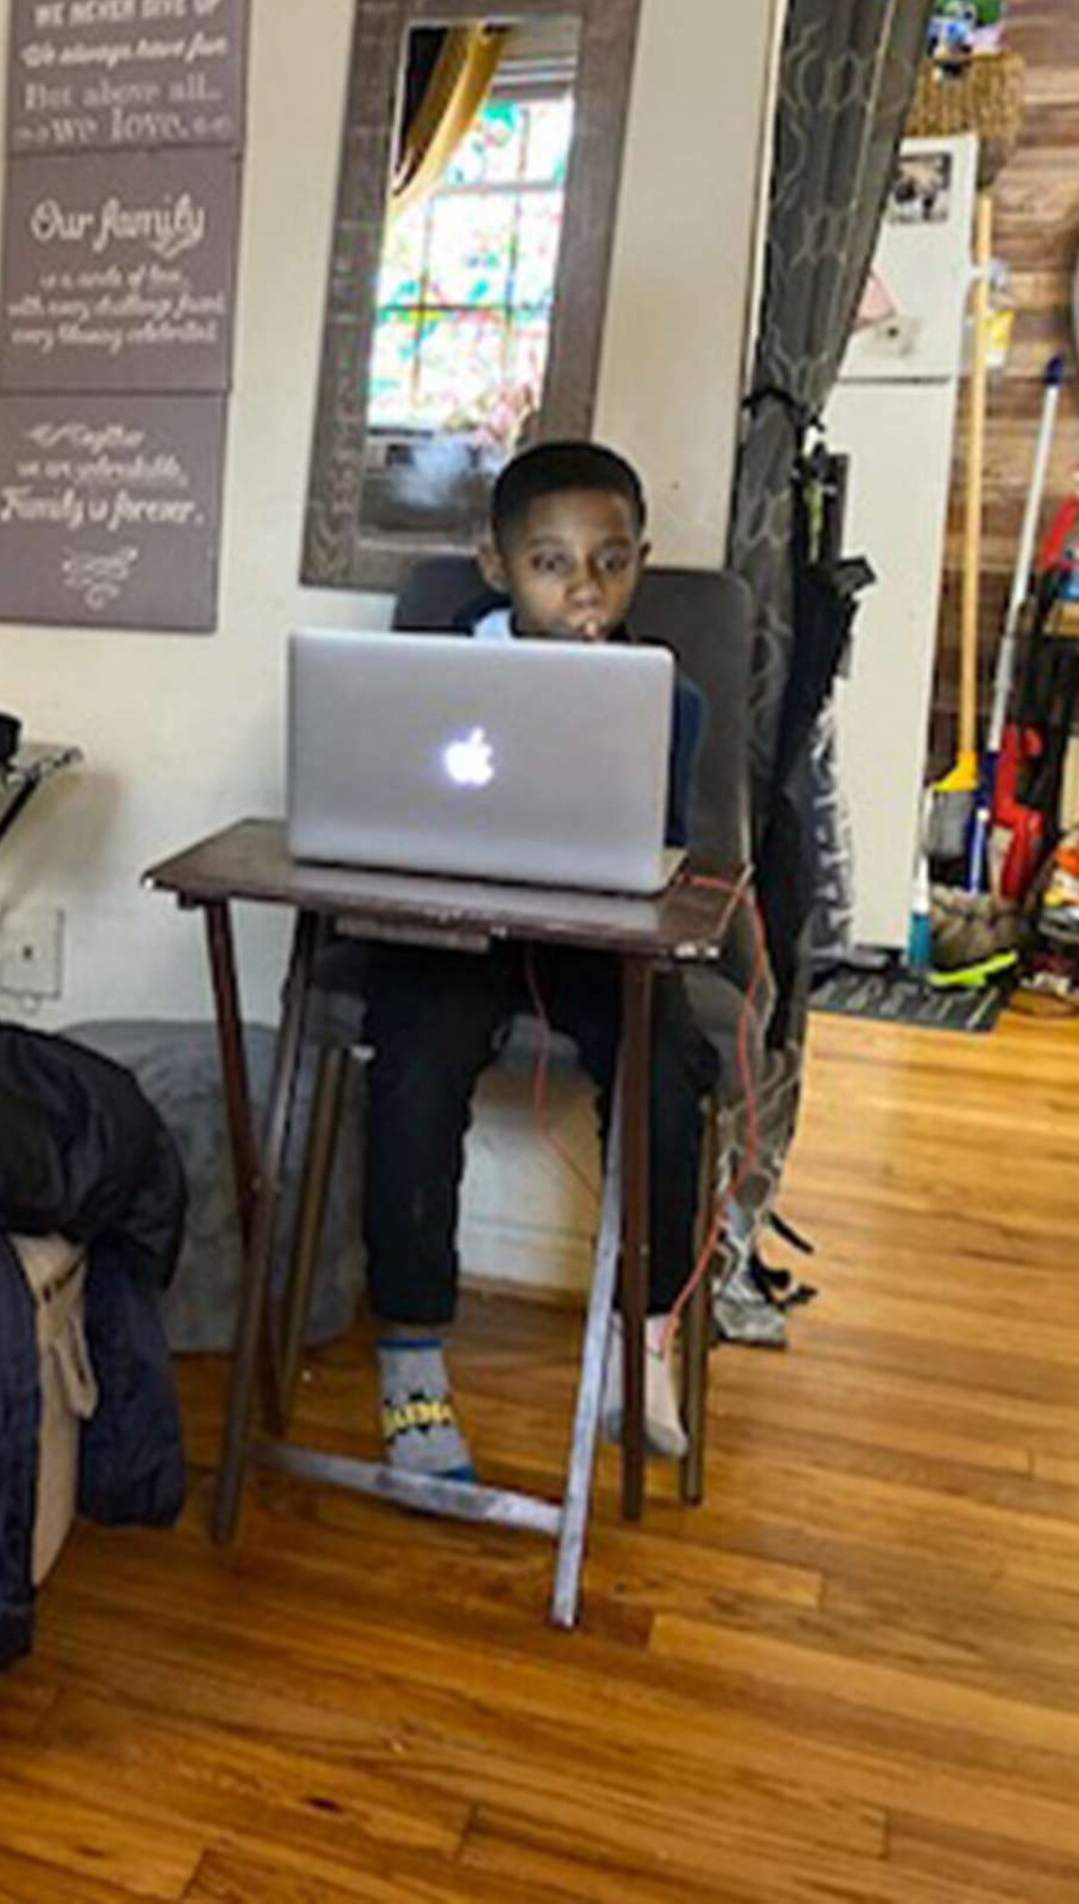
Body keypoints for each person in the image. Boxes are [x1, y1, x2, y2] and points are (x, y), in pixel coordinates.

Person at [359, 442, 715, 1481]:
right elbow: (380, 811)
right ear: (495, 566)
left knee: (667, 1069)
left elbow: (669, 852)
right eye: (552, 564)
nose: (586, 590)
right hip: (455, 931)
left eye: (611, 562)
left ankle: (636, 1345)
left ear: (641, 561)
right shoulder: (427, 681)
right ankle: (411, 1357)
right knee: (415, 1065)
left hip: (597, 943)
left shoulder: (667, 699)